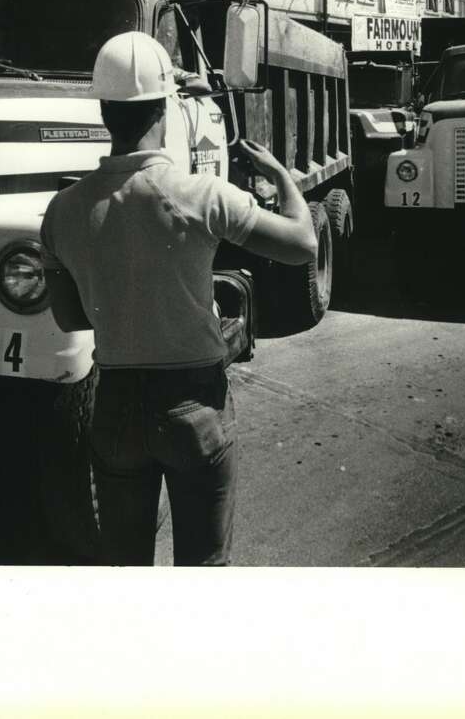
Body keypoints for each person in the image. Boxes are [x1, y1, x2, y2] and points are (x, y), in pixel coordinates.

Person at [40, 32, 317, 566]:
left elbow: (70, 317)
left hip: (115, 407)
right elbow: (303, 244)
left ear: (104, 111)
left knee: (127, 569)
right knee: (202, 572)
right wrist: (281, 174)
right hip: (194, 405)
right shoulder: (202, 196)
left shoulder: (62, 211)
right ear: (166, 108)